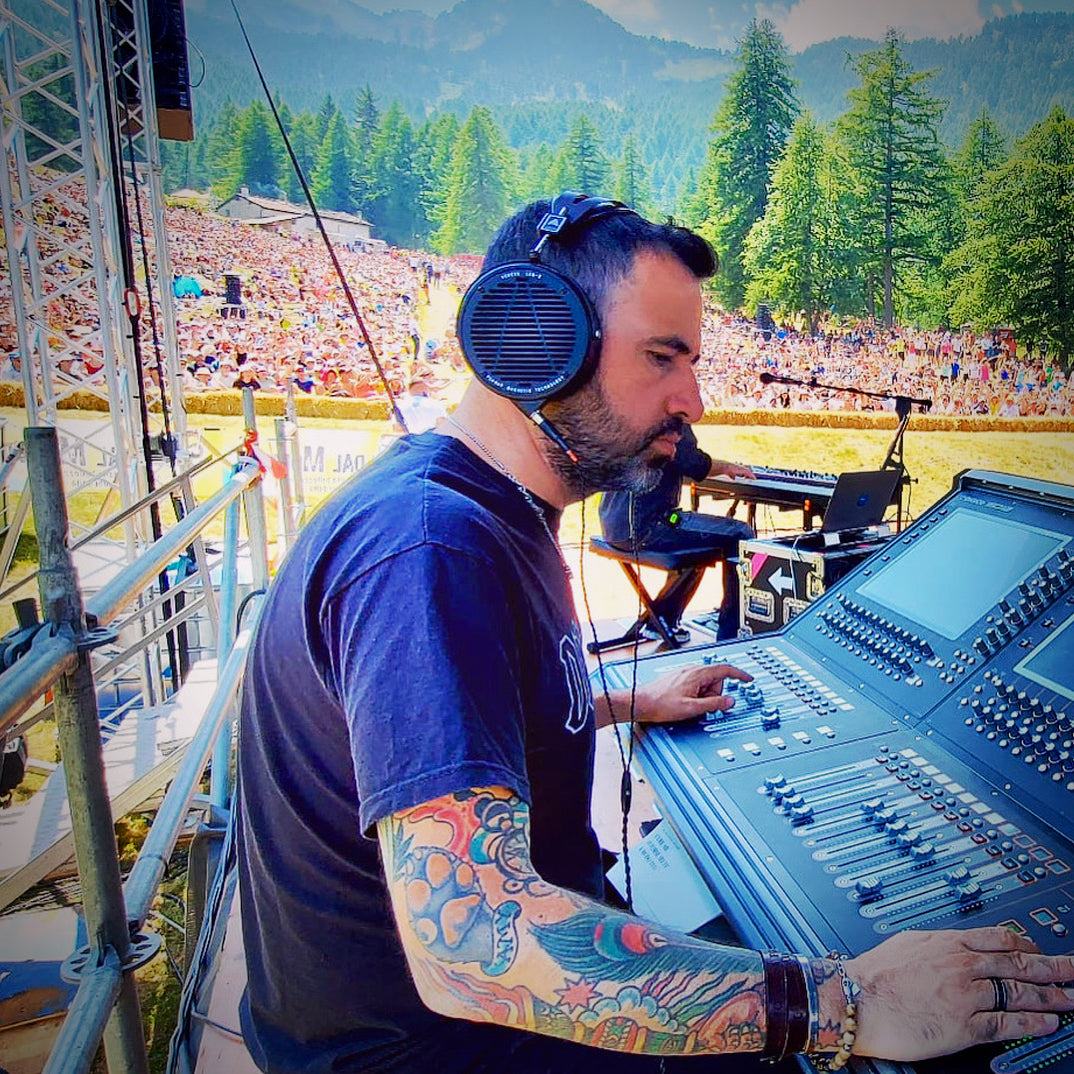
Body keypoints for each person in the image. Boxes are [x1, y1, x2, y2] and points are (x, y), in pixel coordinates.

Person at [236, 197, 1074, 1074]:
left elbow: (465, 713)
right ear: (535, 342)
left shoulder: (477, 508)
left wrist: (627, 699)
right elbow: (474, 947)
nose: (693, 400)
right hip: (436, 1048)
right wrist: (847, 1003)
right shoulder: (430, 547)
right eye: (662, 358)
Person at [599, 428, 754, 641]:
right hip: (648, 526)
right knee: (740, 533)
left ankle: (662, 621)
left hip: (615, 527)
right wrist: (728, 467)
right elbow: (693, 463)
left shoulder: (641, 416)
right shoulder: (672, 422)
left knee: (699, 545)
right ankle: (731, 633)